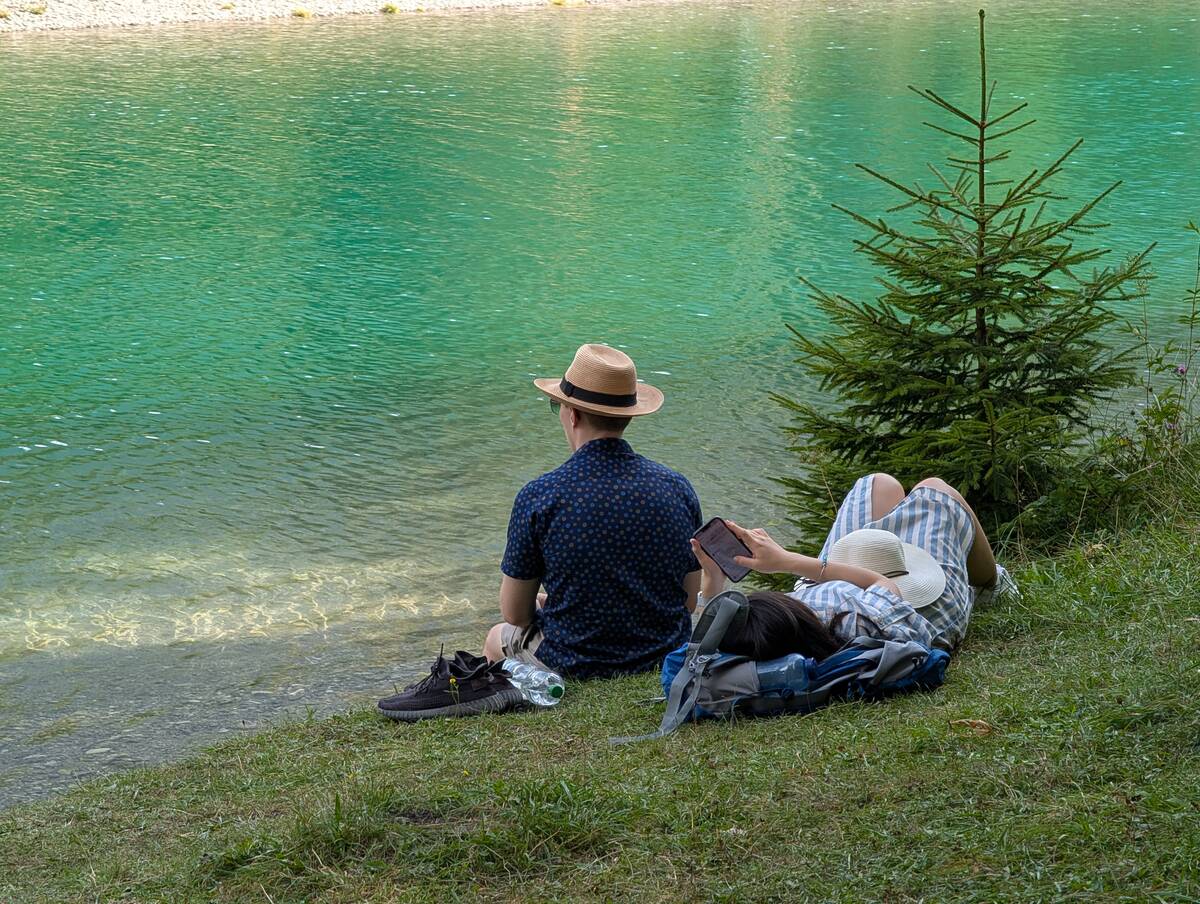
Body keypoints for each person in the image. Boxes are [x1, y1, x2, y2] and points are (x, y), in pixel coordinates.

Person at [480, 343, 703, 679]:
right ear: (628, 415)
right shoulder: (676, 487)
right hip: (664, 653)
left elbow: (515, 614)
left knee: (497, 636)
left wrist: (555, 607)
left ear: (573, 414)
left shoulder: (540, 495)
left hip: (574, 660)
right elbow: (686, 601)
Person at [692, 473, 1008, 654]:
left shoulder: (766, 638)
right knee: (936, 490)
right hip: (914, 600)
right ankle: (995, 586)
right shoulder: (856, 618)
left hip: (856, 584)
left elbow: (715, 634)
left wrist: (713, 579)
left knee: (878, 484)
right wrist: (788, 561)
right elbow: (884, 585)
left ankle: (895, 523)